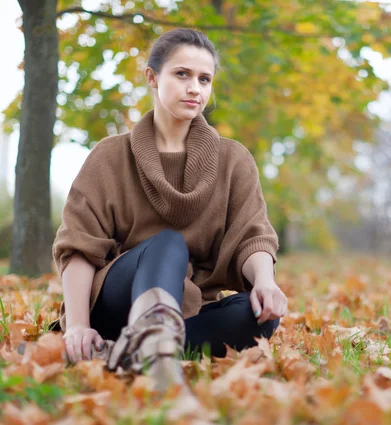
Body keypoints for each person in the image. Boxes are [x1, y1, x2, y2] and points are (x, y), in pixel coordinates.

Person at [51, 28, 288, 387]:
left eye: (204, 79)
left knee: (260, 318)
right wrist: (79, 326)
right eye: (182, 74)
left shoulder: (233, 159)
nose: (195, 88)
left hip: (190, 308)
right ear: (152, 76)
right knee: (167, 244)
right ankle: (144, 345)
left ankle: (135, 350)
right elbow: (78, 247)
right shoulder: (110, 156)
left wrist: (266, 283)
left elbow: (251, 237)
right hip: (116, 304)